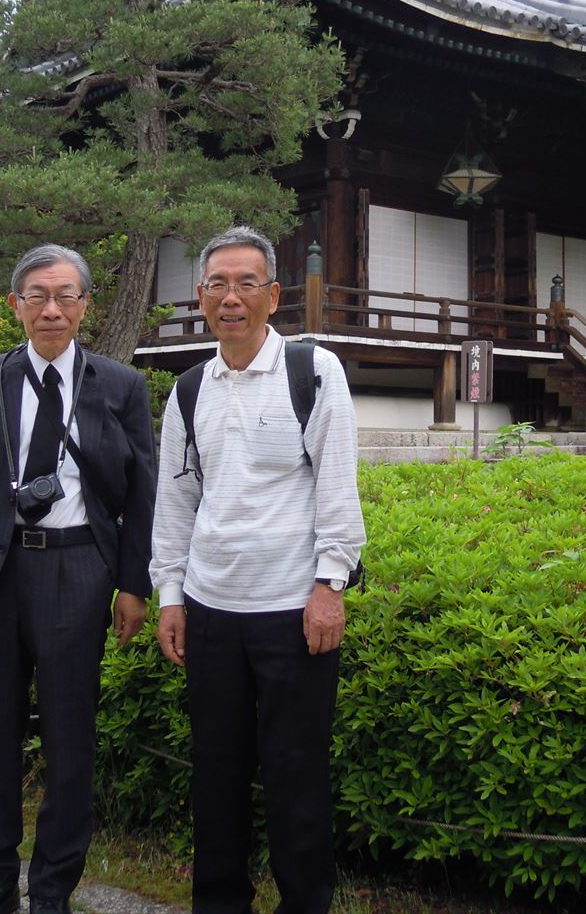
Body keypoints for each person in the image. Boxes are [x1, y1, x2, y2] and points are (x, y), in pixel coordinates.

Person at [0, 244, 155, 914]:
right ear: (15, 305)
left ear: (85, 305)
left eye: (65, 296)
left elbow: (142, 494)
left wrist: (134, 584)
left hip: (77, 569)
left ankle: (53, 888)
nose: (51, 309)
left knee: (69, 736)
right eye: (37, 296)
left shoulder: (120, 385)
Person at [152, 226, 366, 914]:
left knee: (296, 774)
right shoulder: (189, 390)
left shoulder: (313, 372)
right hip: (211, 610)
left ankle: (304, 905)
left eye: (247, 284)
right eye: (217, 284)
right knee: (216, 772)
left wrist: (330, 585)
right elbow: (176, 502)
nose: (231, 298)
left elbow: (337, 486)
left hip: (291, 612)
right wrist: (170, 594)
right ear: (201, 297)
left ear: (273, 297)